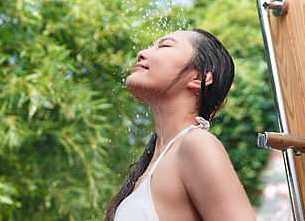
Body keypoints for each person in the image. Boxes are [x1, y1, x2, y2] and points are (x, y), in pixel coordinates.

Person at [105, 29, 257, 221]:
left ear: (199, 78)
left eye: (164, 46)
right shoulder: (155, 161)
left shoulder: (196, 144)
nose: (142, 53)